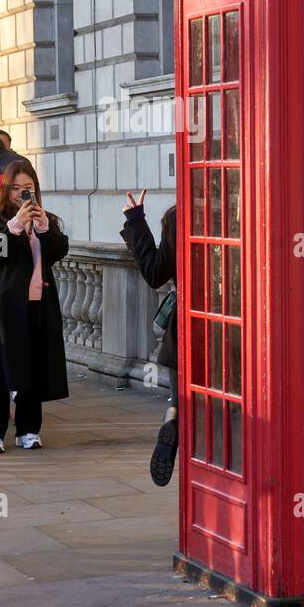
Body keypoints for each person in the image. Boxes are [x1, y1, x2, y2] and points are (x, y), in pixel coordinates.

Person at [0, 159, 69, 453]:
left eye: (27, 188)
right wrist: (16, 224)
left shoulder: (47, 221)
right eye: (15, 189)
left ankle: (28, 429)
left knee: (33, 367)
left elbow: (58, 252)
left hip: (38, 304)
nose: (21, 194)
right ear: (7, 191)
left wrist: (42, 227)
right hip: (4, 307)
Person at [120, 189, 179, 486]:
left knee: (184, 400)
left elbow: (155, 273)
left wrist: (136, 220)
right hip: (230, 331)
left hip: (184, 333)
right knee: (225, 411)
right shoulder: (237, 214)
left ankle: (173, 415)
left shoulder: (177, 217)